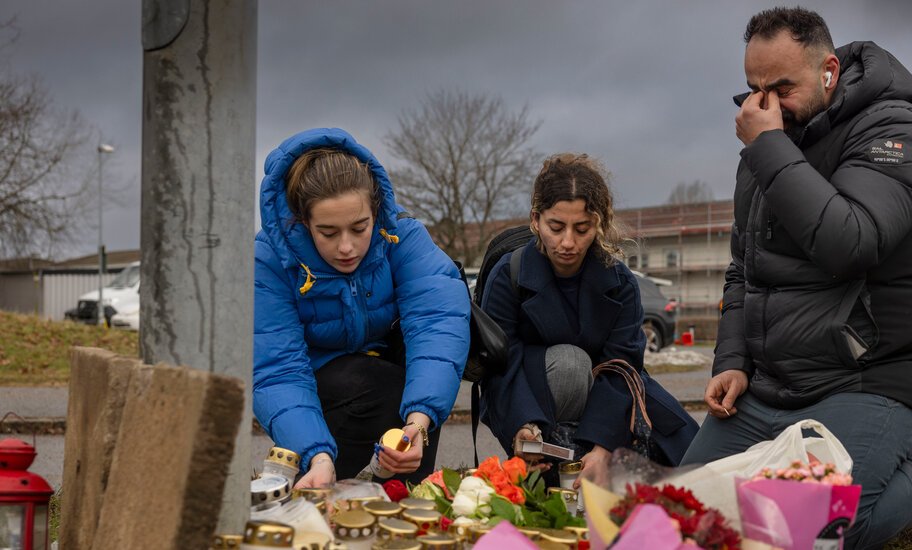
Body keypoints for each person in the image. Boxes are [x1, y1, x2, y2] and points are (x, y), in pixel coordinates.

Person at [680, 8, 912, 547]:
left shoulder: (897, 129)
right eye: (753, 89)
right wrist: (733, 360)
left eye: (781, 87)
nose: (763, 105)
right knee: (689, 516)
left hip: (871, 376)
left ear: (829, 70)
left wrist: (766, 148)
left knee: (820, 531)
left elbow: (850, 242)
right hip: (774, 384)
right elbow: (744, 268)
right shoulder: (768, 146)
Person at [253, 128, 470, 488]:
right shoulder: (269, 260)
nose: (347, 247)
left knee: (416, 390)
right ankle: (329, 482)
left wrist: (418, 423)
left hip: (384, 369)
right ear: (301, 221)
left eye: (359, 227)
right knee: (373, 385)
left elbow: (438, 322)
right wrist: (315, 455)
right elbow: (277, 369)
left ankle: (407, 496)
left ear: (377, 211)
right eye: (328, 232)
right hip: (316, 383)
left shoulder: (401, 235)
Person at [479, 153, 699, 486]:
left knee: (693, 458)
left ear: (598, 224)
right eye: (556, 227)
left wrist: (602, 444)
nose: (568, 242)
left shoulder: (621, 282)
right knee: (571, 365)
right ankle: (553, 452)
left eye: (582, 229)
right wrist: (522, 427)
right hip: (532, 396)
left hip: (606, 396)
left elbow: (622, 363)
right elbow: (502, 366)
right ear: (535, 220)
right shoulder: (507, 276)